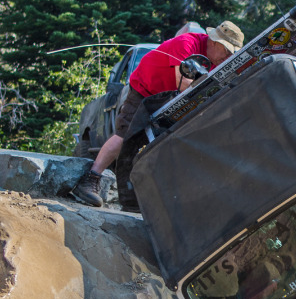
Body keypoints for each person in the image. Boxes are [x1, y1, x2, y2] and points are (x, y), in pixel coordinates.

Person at [72, 20, 245, 207]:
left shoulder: (215, 61)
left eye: (231, 53)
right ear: (213, 42)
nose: (228, 57)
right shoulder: (187, 44)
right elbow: (185, 86)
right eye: (226, 51)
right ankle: (90, 180)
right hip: (145, 90)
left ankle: (152, 202)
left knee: (171, 145)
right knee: (125, 135)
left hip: (170, 98)